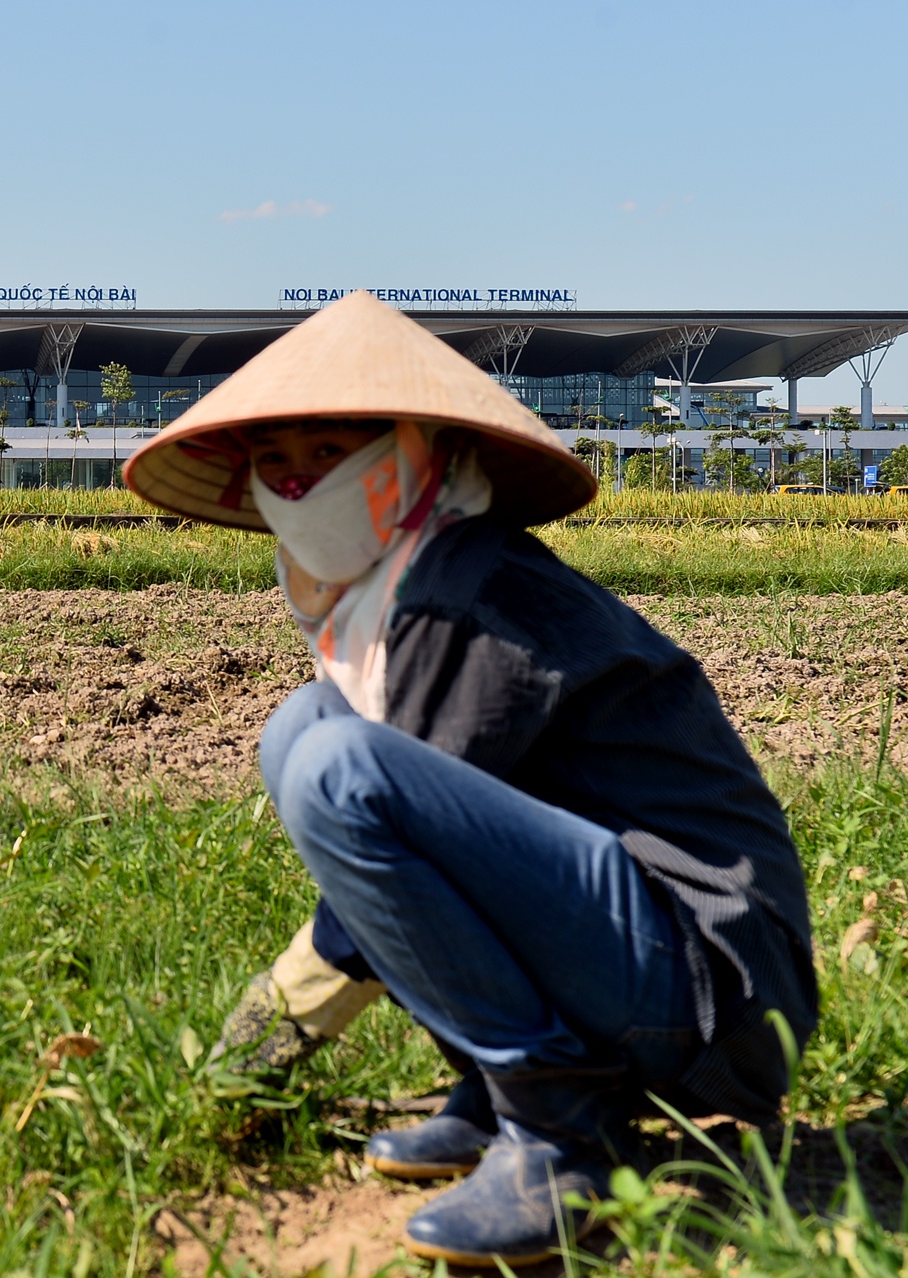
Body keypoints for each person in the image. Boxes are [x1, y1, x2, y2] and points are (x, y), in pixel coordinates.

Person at [121, 293, 817, 1268]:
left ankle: (561, 1125)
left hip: (714, 993)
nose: (298, 478)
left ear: (420, 454)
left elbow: (390, 846)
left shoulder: (475, 592)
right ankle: (496, 1095)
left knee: (336, 768)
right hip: (634, 945)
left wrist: (263, 1037)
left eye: (332, 450)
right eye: (276, 457)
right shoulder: (413, 582)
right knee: (303, 728)